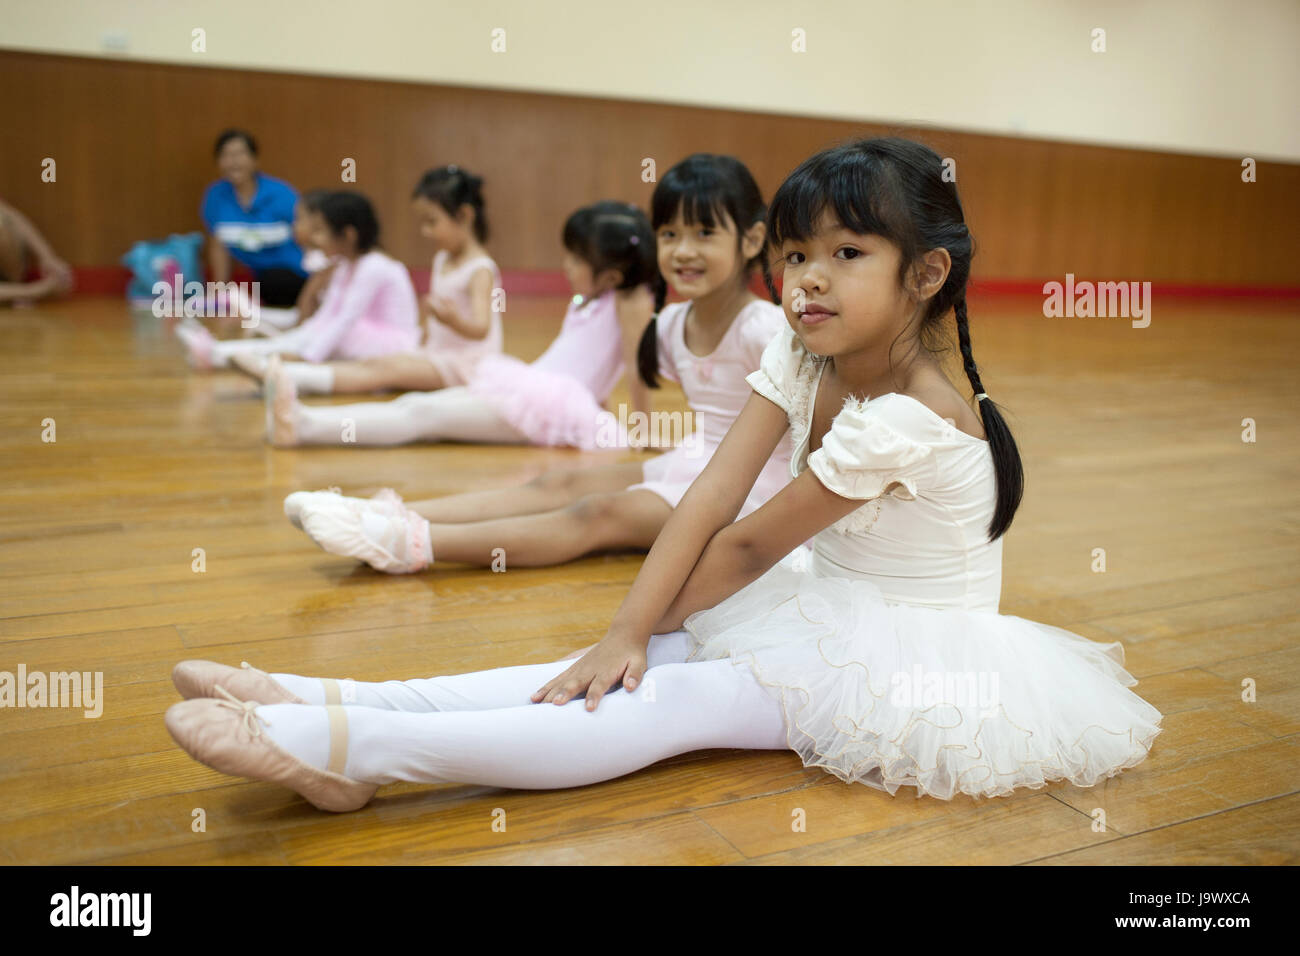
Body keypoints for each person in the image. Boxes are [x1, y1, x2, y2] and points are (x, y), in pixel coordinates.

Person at [164, 137, 1162, 811]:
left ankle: (352, 753)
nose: (808, 278)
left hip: (909, 658)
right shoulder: (803, 353)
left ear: (926, 274)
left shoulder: (912, 415)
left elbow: (750, 542)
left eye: (847, 253)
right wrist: (628, 630)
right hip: (820, 602)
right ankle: (312, 696)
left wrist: (634, 635)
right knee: (624, 660)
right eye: (798, 255)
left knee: (667, 699)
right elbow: (716, 491)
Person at [278, 158, 793, 577]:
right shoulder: (674, 322)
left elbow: (811, 429)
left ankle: (411, 542)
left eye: (704, 233)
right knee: (555, 485)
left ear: (751, 241)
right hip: (699, 461)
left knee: (597, 514)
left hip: (753, 491)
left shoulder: (763, 329)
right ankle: (384, 512)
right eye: (670, 233)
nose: (683, 250)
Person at [230, 166, 504, 392]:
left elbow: (482, 328)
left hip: (469, 364)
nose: (425, 231)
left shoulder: (480, 269)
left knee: (383, 372)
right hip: (437, 353)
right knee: (377, 365)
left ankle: (288, 377)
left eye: (431, 222)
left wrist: (453, 320)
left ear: (464, 215)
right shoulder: (443, 259)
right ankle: (280, 369)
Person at [176, 191, 419, 369]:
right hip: (357, 334)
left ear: (348, 235)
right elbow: (326, 316)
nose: (316, 239)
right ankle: (218, 351)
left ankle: (221, 354)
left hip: (390, 345)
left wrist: (309, 357)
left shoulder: (374, 266)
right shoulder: (346, 265)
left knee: (331, 332)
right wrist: (295, 341)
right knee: (315, 330)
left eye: (321, 231)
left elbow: (345, 319)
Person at [201, 128, 307, 308]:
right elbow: (218, 244)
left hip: (293, 273)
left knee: (274, 282)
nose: (233, 161)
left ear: (254, 159)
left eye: (240, 154)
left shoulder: (282, 194)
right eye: (226, 155)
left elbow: (307, 236)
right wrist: (219, 293)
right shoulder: (215, 196)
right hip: (260, 278)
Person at [0, 197, 73, 305]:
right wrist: (40, 289)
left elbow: (10, 215)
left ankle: (14, 289)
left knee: (1, 221)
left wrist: (48, 258)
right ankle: (17, 293)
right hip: (27, 287)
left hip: (11, 273)